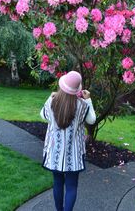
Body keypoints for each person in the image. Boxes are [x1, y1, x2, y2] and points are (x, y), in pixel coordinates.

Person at [40, 70, 96, 211]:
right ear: (78, 89)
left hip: (55, 153)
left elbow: (43, 115)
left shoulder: (52, 102)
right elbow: (92, 120)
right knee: (71, 186)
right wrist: (88, 99)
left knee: (58, 183)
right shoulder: (82, 106)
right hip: (73, 155)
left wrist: (50, 96)